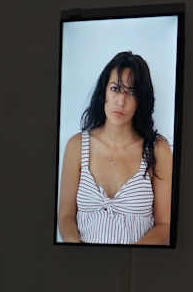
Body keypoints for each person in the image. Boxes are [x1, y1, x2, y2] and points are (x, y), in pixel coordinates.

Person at [56, 51, 173, 245]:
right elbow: (65, 217)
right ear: (104, 92)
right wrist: (81, 255)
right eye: (115, 88)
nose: (121, 101)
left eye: (132, 92)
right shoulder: (77, 146)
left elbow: (164, 226)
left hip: (137, 262)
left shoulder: (157, 150)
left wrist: (126, 258)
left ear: (141, 100)